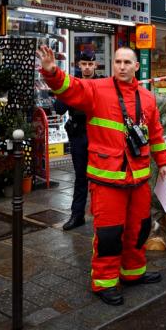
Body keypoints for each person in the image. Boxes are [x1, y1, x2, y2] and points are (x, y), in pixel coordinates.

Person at [37, 45, 166, 306]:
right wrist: (51, 71)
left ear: (136, 67)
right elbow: (70, 88)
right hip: (107, 180)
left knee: (139, 230)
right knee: (109, 236)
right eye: (117, 62)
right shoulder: (97, 89)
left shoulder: (147, 98)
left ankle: (133, 272)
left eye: (126, 62)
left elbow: (155, 134)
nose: (121, 66)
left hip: (139, 179)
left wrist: (163, 163)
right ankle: (104, 282)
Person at [53, 49, 98, 231]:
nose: (87, 68)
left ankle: (101, 215)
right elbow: (59, 108)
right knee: (80, 177)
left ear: (95, 65)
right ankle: (77, 215)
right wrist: (69, 92)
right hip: (79, 133)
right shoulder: (73, 83)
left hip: (98, 134)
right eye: (84, 64)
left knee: (99, 177)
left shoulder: (102, 83)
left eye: (90, 64)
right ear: (78, 65)